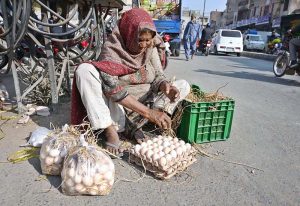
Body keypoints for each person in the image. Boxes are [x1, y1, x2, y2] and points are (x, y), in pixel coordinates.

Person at [71, 8, 190, 155]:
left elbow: (159, 75)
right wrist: (148, 113)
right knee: (84, 70)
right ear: (129, 34)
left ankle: (149, 120)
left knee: (183, 85)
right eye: (140, 40)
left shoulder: (150, 47)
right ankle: (111, 131)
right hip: (119, 109)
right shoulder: (113, 49)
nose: (144, 45)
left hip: (147, 102)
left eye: (148, 40)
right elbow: (112, 89)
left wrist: (165, 86)